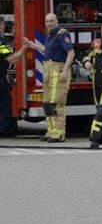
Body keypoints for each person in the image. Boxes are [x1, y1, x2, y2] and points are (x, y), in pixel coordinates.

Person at [25, 13, 74, 142]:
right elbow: (46, 51)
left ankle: (59, 132)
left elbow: (71, 53)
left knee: (56, 103)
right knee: (47, 103)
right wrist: (32, 45)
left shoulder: (62, 34)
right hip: (48, 70)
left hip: (58, 70)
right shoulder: (51, 35)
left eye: (52, 21)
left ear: (57, 21)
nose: (50, 23)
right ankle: (51, 131)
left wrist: (65, 71)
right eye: (47, 21)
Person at [0, 19, 30, 137]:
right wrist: (25, 48)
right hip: (1, 80)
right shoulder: (0, 43)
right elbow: (12, 59)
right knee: (6, 111)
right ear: (1, 26)